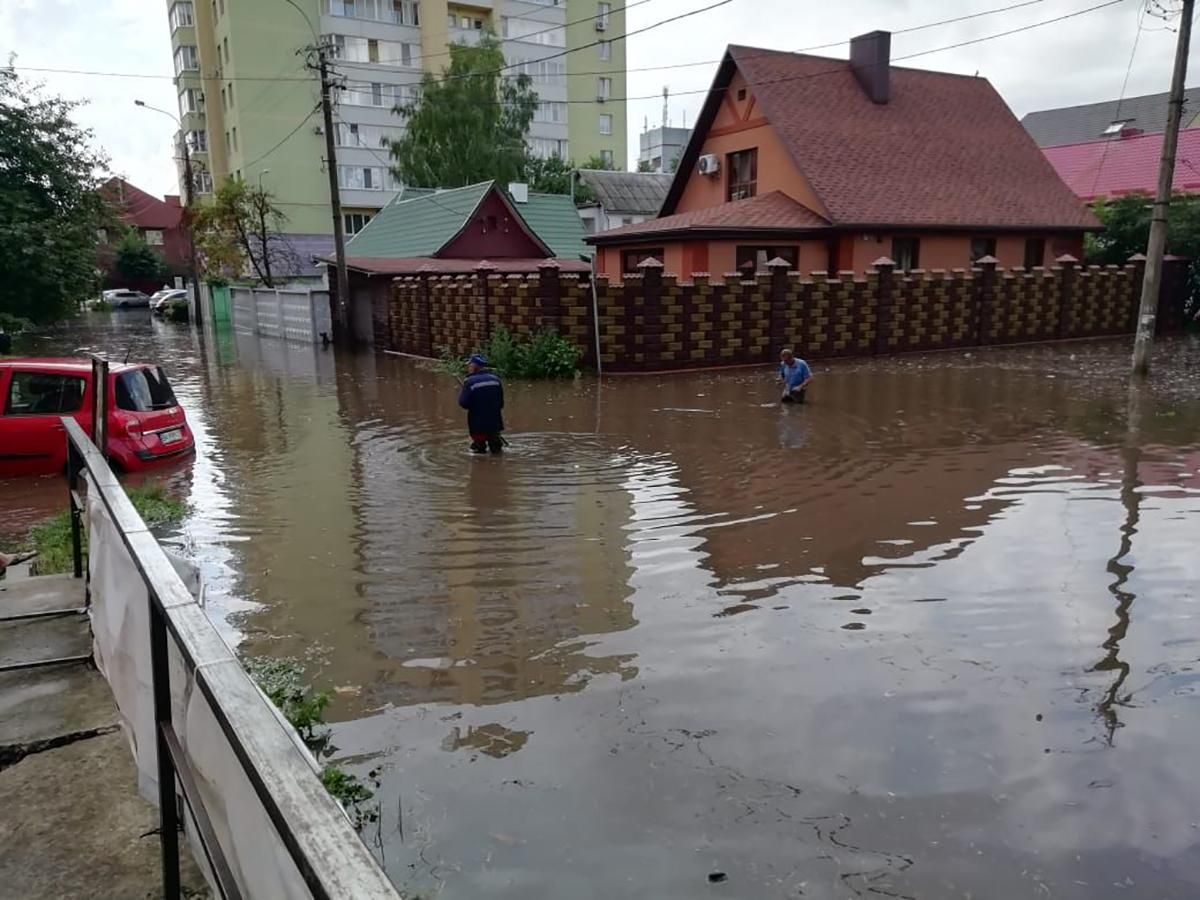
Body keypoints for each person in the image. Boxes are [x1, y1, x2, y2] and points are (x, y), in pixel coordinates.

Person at [458, 354, 505, 454]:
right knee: (496, 450)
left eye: (469, 365)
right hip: (494, 422)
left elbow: (463, 403)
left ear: (475, 366)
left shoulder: (470, 382)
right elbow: (501, 403)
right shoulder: (496, 379)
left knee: (479, 452)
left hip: (477, 423)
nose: (468, 368)